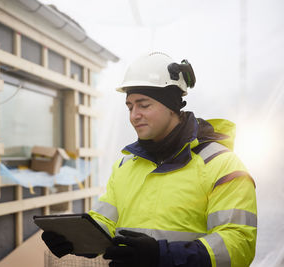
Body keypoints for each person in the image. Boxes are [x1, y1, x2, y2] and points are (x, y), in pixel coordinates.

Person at [41, 52, 257, 267]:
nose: (134, 115)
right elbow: (105, 222)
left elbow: (238, 244)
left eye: (143, 105)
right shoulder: (125, 167)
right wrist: (75, 239)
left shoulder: (221, 164)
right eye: (130, 106)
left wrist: (163, 255)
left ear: (172, 106)